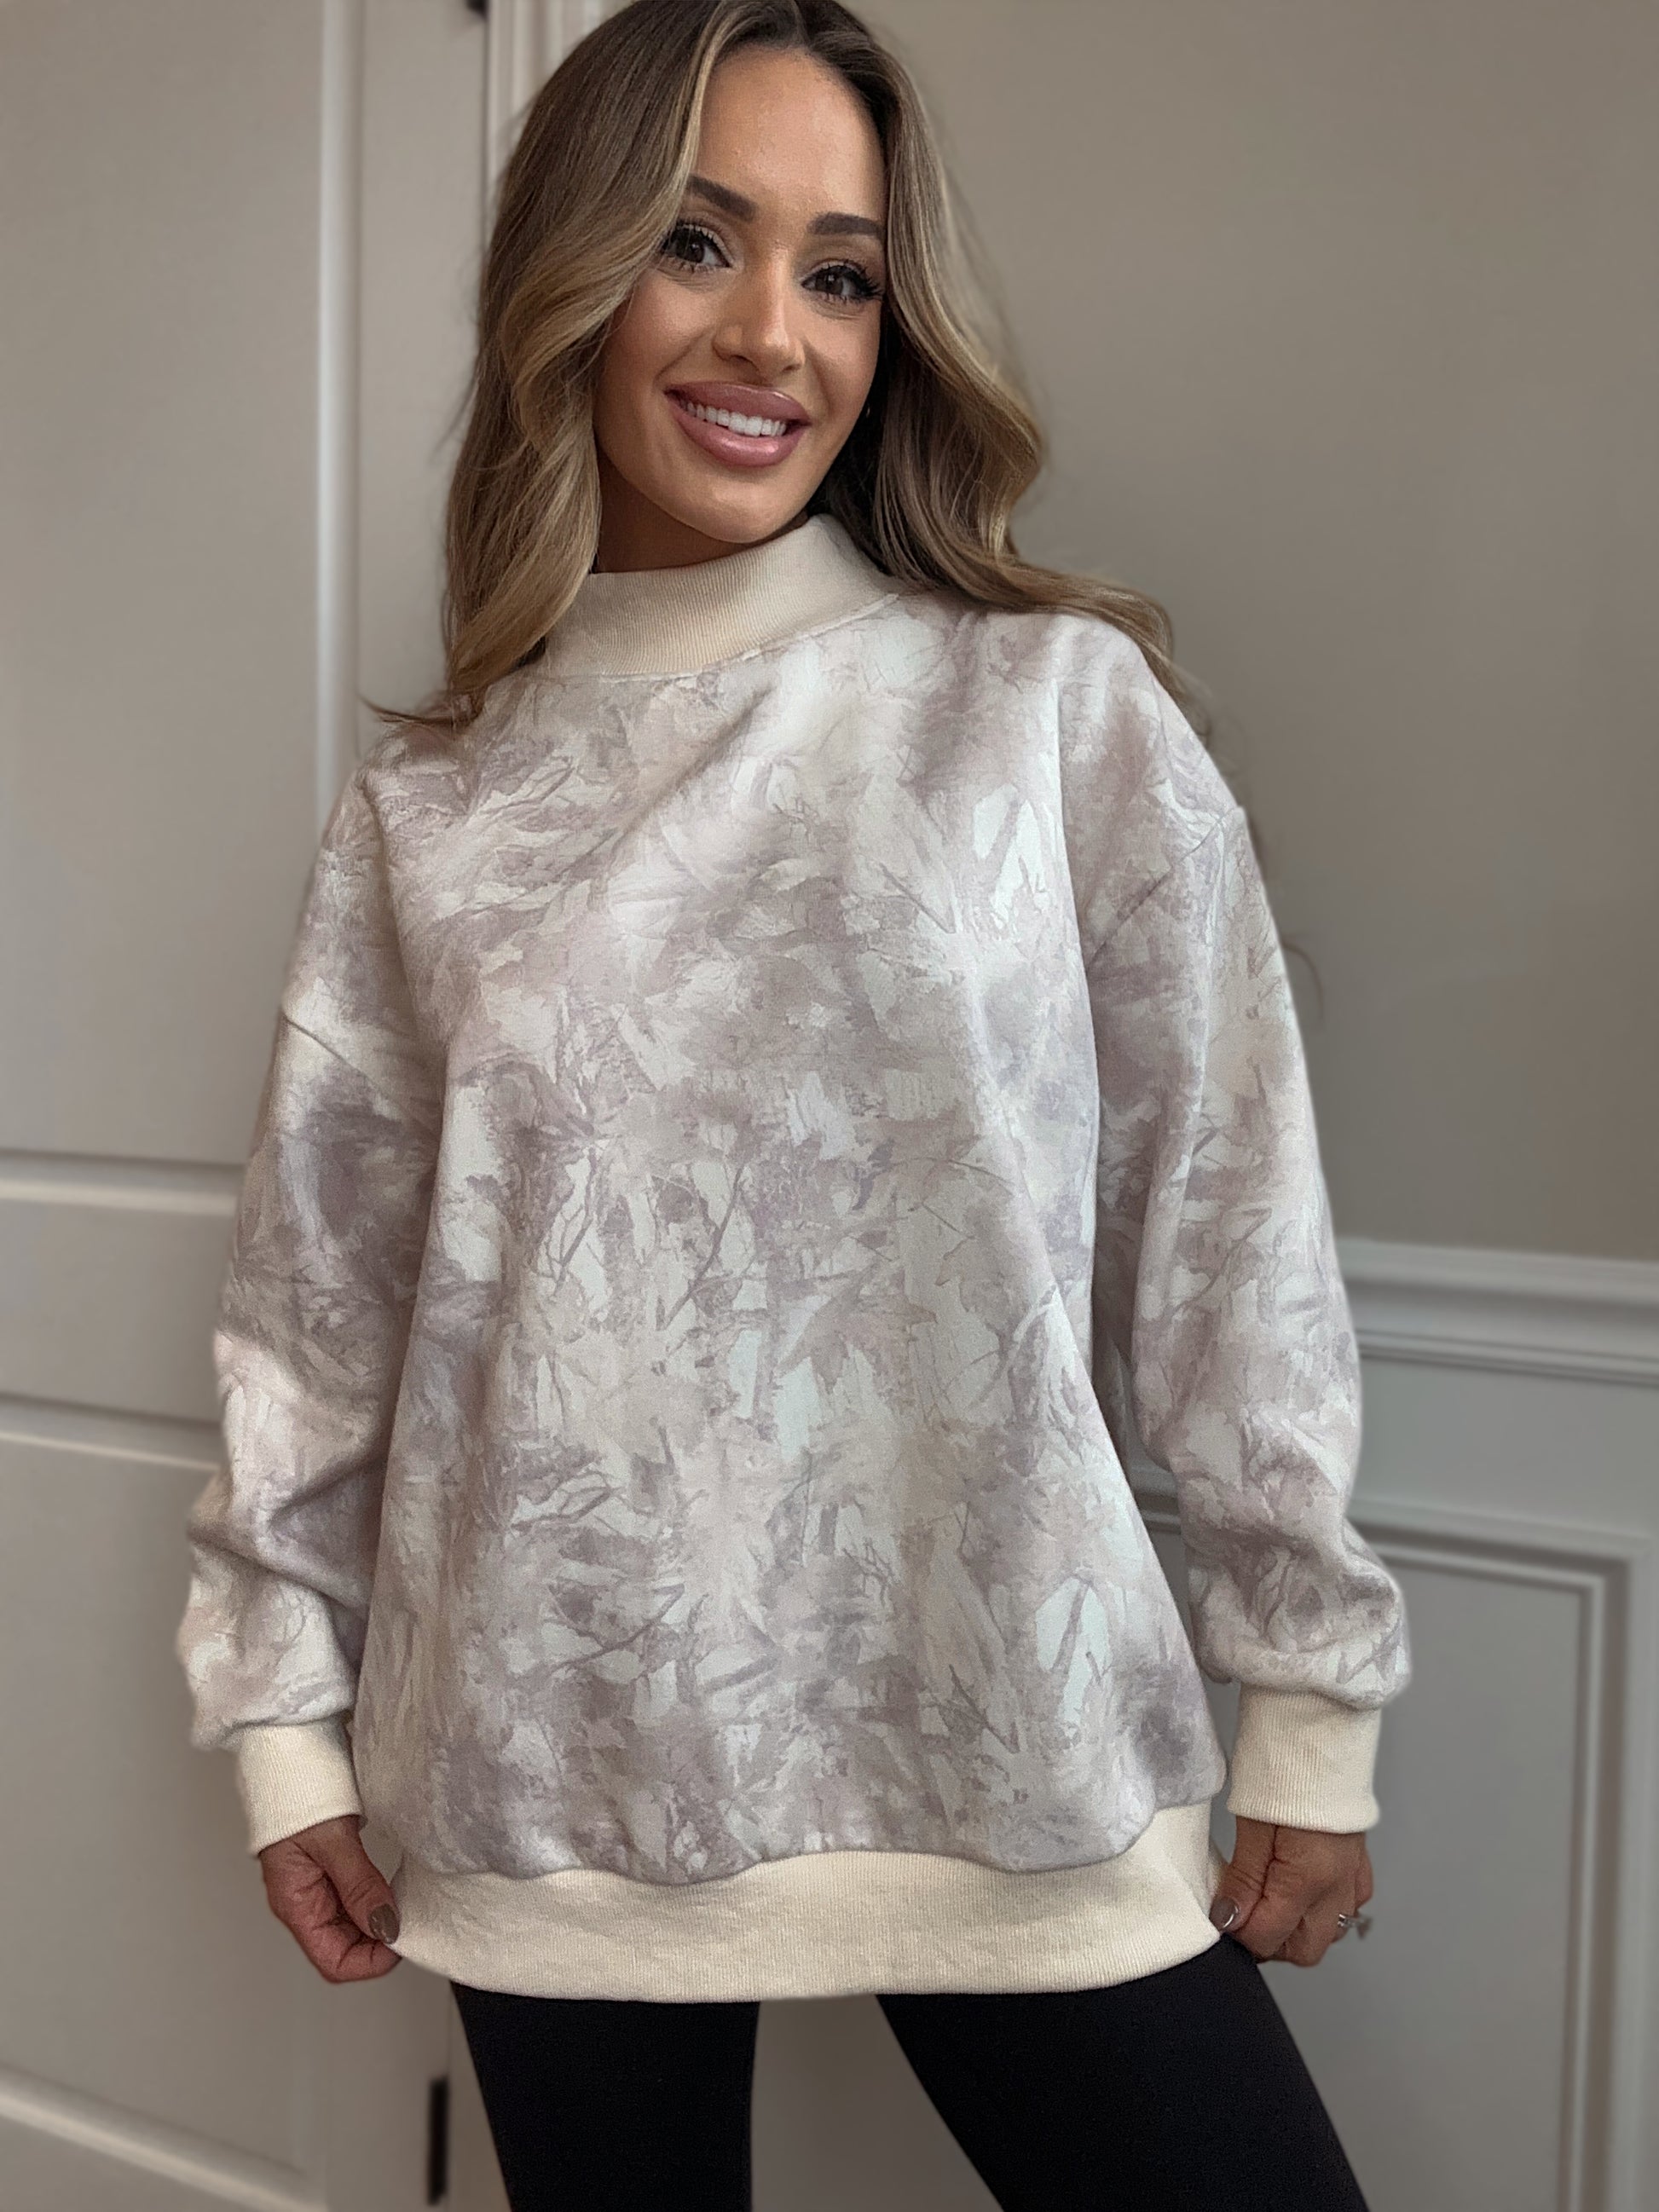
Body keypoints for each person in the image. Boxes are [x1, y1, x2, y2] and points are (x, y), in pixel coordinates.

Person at [175, 2, 1412, 2205]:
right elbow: (318, 1310)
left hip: (1014, 1733)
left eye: (841, 272)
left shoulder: (1047, 712)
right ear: (568, 278)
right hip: (543, 1773)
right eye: (696, 240)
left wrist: (1304, 1688)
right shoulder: (433, 807)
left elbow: (1224, 1227)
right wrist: (282, 1721)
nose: (773, 333)